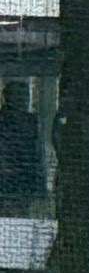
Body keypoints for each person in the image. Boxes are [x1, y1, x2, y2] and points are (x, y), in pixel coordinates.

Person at [0, 82, 43, 217]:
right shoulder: (29, 121)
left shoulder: (31, 121)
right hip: (10, 178)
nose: (24, 100)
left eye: (25, 96)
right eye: (19, 95)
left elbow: (36, 152)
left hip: (23, 178)